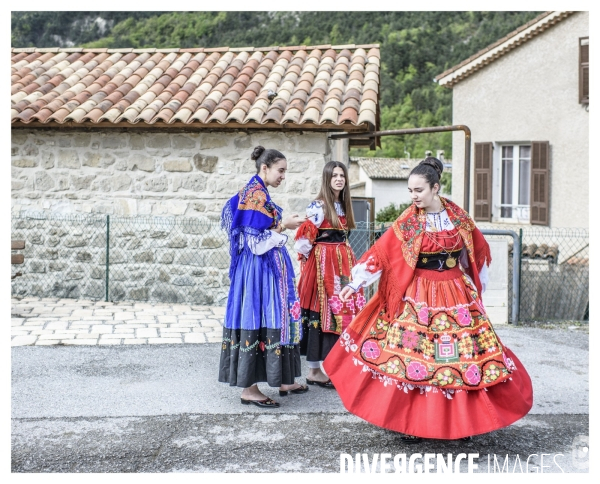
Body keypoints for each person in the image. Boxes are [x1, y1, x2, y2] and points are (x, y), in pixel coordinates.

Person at [323, 157, 533, 441]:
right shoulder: (409, 220)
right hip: (418, 294)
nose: (413, 196)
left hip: (456, 291)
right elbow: (383, 253)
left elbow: (476, 251)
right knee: (416, 356)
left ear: (435, 188)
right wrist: (356, 282)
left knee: (459, 359)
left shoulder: (458, 217)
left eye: (418, 190)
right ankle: (412, 423)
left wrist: (476, 289)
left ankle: (463, 424)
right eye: (410, 190)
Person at [219, 146, 308, 408]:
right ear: (265, 168)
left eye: (285, 171)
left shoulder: (257, 193)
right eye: (281, 170)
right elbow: (254, 242)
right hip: (258, 273)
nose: (283, 176)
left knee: (275, 318)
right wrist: (283, 226)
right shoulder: (255, 195)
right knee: (258, 316)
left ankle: (284, 378)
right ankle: (249, 388)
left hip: (265, 271)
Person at [294, 161, 365, 388]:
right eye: (334, 175)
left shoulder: (343, 205)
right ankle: (315, 371)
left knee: (342, 309)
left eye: (342, 175)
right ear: (327, 178)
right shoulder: (319, 206)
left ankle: (337, 367)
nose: (339, 179)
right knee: (322, 310)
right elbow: (303, 242)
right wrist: (314, 262)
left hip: (343, 264)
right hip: (323, 266)